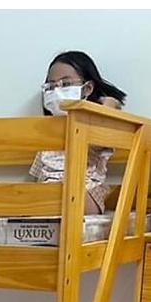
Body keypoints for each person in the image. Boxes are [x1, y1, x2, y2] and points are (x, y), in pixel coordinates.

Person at [30, 51, 127, 214]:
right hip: (46, 191)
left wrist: (107, 104)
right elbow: (37, 177)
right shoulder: (46, 131)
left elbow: (103, 132)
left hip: (86, 191)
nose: (57, 91)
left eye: (66, 84)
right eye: (51, 86)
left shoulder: (93, 122)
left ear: (87, 88)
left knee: (68, 197)